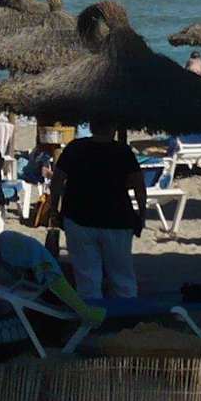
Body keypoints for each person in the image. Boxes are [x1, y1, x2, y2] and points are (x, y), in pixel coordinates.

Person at [48, 119, 147, 300]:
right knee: (122, 276)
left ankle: (93, 314)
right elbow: (139, 186)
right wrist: (141, 214)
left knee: (87, 278)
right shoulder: (123, 151)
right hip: (117, 218)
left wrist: (54, 209)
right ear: (113, 128)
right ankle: (126, 313)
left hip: (79, 217)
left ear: (91, 127)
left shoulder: (74, 148)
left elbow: (57, 181)